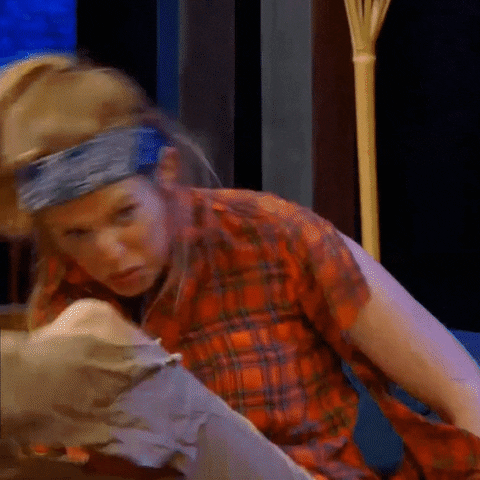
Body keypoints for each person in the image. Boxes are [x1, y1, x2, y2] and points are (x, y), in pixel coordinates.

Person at [1, 53, 480, 480]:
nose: (107, 251)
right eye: (76, 234)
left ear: (165, 173)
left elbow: (460, 386)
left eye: (124, 214)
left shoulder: (272, 234)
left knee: (93, 330)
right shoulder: (65, 286)